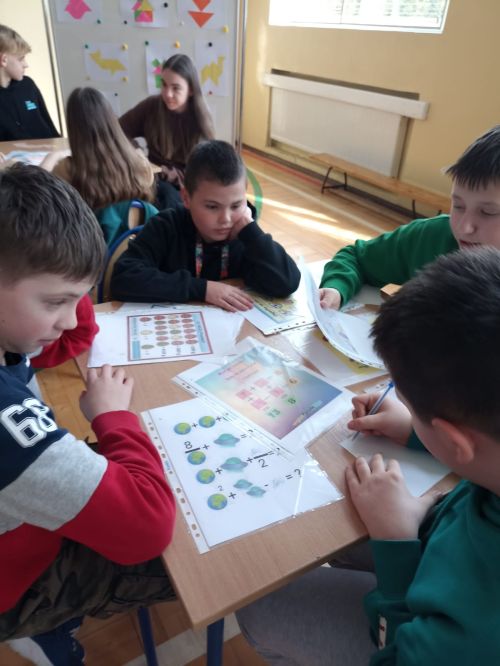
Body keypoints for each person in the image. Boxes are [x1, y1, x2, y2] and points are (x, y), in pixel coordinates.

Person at [236, 246, 500, 665]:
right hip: (442, 541)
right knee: (341, 528)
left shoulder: (472, 634)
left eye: (407, 402)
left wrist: (395, 543)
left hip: (416, 627)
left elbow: (396, 652)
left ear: (456, 442)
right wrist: (415, 430)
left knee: (261, 607)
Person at [0, 164, 176, 665]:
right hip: (14, 580)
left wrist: (65, 293)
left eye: (78, 299)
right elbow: (147, 527)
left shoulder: (12, 335)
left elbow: (71, 334)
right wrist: (113, 418)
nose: (68, 319)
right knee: (184, 551)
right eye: (56, 302)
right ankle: (38, 619)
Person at [319, 124, 500, 309]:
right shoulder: (429, 238)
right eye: (459, 206)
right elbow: (356, 258)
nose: (464, 227)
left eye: (488, 212)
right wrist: (336, 288)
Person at [110, 140, 301, 311]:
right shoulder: (166, 226)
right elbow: (123, 278)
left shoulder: (244, 234)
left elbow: (287, 283)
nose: (226, 219)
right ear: (186, 198)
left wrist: (253, 234)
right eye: (212, 207)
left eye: (236, 205)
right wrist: (203, 289)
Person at [42, 86, 158, 246]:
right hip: (137, 247)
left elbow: (37, 187)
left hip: (93, 249)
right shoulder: (139, 162)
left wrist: (52, 157)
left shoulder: (66, 168)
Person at [119, 53, 214, 209]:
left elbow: (202, 173)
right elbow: (118, 131)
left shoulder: (201, 120)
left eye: (176, 88)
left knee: (168, 201)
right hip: (151, 178)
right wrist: (137, 152)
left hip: (184, 186)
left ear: (191, 90)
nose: (168, 94)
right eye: (164, 85)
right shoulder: (151, 106)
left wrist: (170, 174)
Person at [0, 24, 59, 141]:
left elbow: (51, 129)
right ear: (3, 60)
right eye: (21, 58)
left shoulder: (28, 85)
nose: (26, 64)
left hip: (46, 151)